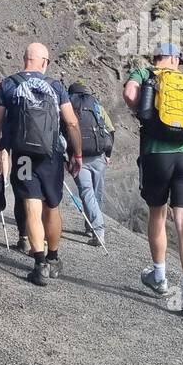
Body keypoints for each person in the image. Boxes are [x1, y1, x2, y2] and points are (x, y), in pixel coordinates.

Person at [122, 42, 183, 319]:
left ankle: (159, 277)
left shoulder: (144, 73)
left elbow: (130, 95)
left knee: (157, 213)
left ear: (156, 58)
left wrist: (148, 117)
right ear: (176, 60)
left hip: (156, 154)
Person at [0, 42, 83, 287]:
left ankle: (39, 264)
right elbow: (71, 123)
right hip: (50, 156)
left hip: (23, 155)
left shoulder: (9, 84)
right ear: (45, 62)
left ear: (24, 59)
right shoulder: (55, 87)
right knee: (51, 206)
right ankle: (53, 257)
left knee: (31, 205)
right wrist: (77, 154)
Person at [65, 79, 112, 247]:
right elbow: (109, 129)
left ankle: (98, 230)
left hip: (79, 157)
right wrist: (108, 153)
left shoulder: (68, 105)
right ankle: (90, 227)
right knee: (96, 194)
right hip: (99, 156)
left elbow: (64, 129)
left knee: (87, 192)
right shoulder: (96, 105)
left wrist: (67, 155)